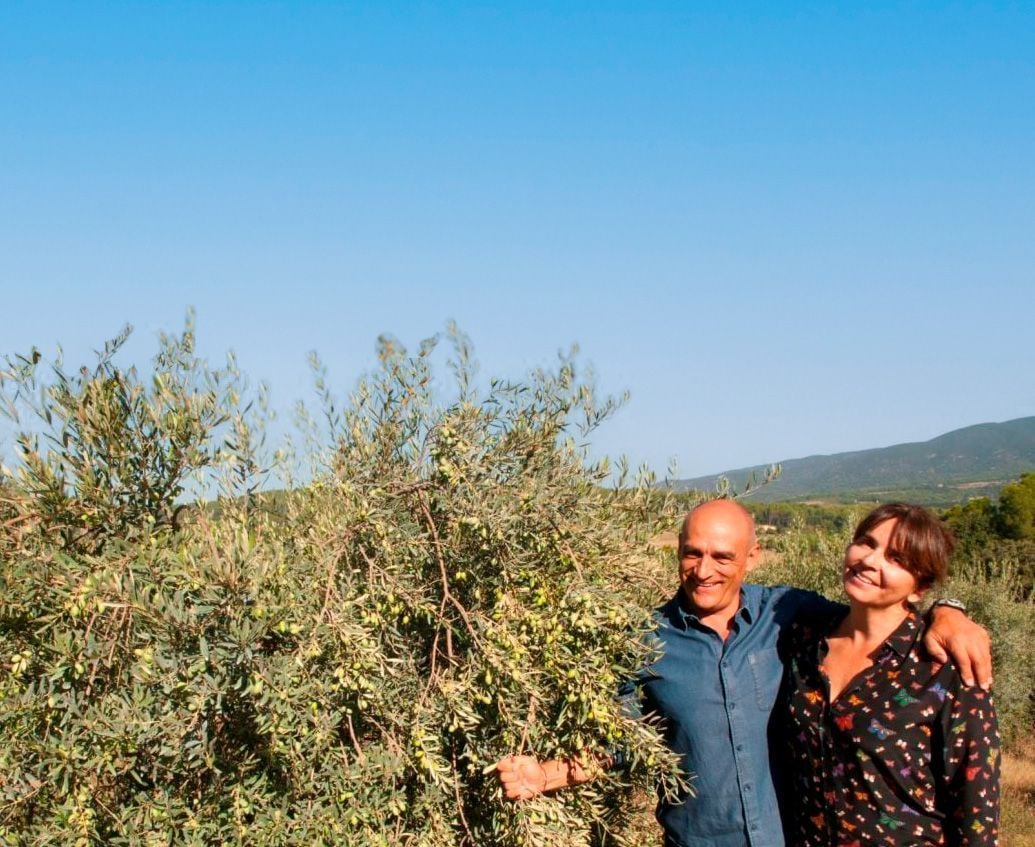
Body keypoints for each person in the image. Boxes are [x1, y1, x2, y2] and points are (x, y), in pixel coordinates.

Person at [495, 499, 993, 847]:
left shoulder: (790, 616)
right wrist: (547, 774)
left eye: (722, 556)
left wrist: (949, 612)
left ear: (752, 557)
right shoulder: (645, 641)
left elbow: (886, 614)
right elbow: (624, 743)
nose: (703, 570)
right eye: (692, 552)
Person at [779, 503, 1000, 845]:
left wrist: (949, 610)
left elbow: (976, 807)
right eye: (866, 542)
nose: (869, 560)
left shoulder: (944, 667)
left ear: (919, 588)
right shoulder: (804, 640)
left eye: (896, 559)